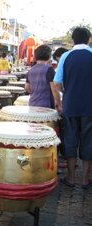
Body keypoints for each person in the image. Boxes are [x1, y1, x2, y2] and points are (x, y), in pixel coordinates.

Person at [53, 27, 92, 189]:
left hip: (70, 105)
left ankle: (71, 178)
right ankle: (84, 180)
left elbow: (56, 83)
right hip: (90, 107)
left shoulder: (66, 57)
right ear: (89, 39)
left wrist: (66, 92)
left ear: (73, 40)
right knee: (89, 141)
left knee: (70, 140)